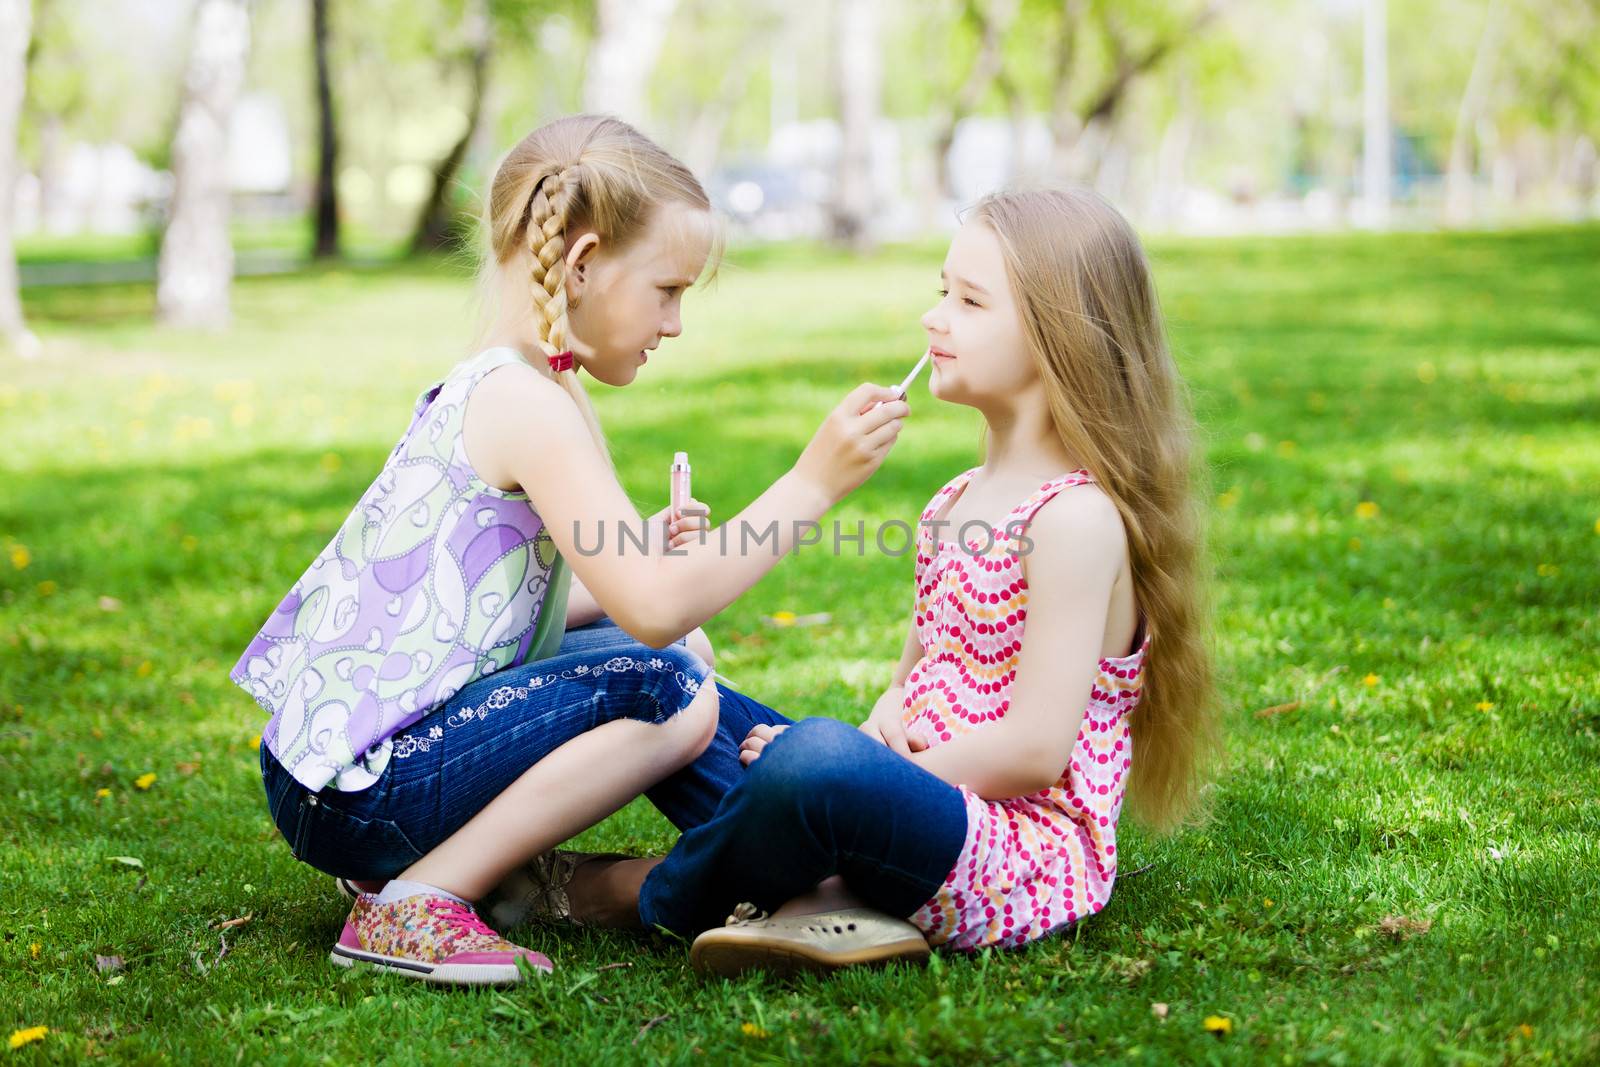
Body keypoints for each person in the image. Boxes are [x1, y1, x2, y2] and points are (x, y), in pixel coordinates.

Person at [231, 114, 911, 986]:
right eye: (667, 290)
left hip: (341, 768)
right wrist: (814, 482)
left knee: (677, 656)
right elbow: (656, 608)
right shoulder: (530, 404)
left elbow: (536, 606)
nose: (673, 323)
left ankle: (801, 858)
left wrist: (650, 564)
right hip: (361, 790)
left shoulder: (527, 382)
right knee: (673, 689)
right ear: (583, 262)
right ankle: (417, 901)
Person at [537, 186, 1219, 977]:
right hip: (907, 800)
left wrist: (854, 769)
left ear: (1055, 335)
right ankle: (821, 885)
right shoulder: (954, 502)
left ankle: (619, 890)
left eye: (969, 302)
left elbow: (1035, 750)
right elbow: (910, 685)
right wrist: (867, 744)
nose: (935, 319)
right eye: (942, 292)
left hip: (1007, 848)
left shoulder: (1076, 520)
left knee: (814, 761)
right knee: (674, 683)